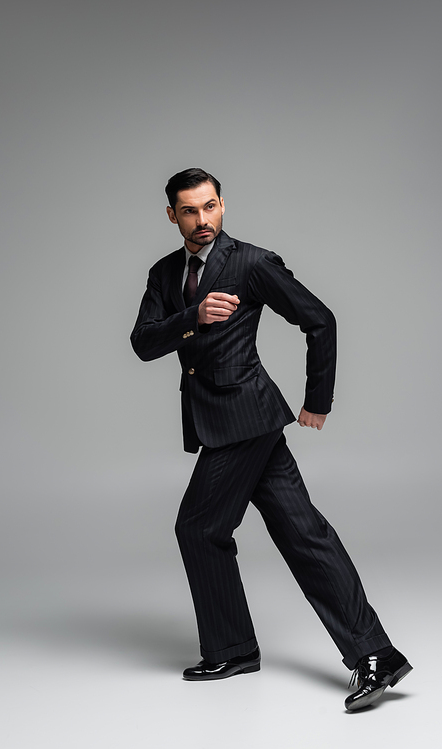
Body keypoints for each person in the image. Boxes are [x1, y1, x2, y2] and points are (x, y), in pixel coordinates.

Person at [130, 167, 412, 711]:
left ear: (223, 207)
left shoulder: (252, 263)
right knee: (303, 532)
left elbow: (320, 319)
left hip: (245, 417)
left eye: (210, 207)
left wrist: (318, 400)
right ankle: (375, 654)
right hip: (228, 419)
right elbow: (143, 343)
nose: (202, 219)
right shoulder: (165, 274)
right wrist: (193, 316)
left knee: (198, 526)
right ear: (172, 215)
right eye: (189, 211)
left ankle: (234, 647)